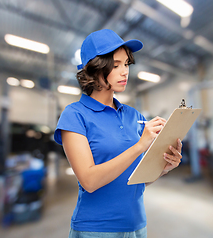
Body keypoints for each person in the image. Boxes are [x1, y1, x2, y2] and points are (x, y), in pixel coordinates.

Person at [54, 29, 183, 238]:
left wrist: (164, 167)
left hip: (137, 226)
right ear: (94, 69)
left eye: (126, 64)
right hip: (96, 229)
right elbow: (89, 181)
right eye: (115, 65)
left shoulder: (134, 116)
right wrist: (140, 145)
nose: (125, 72)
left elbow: (137, 180)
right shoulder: (74, 115)